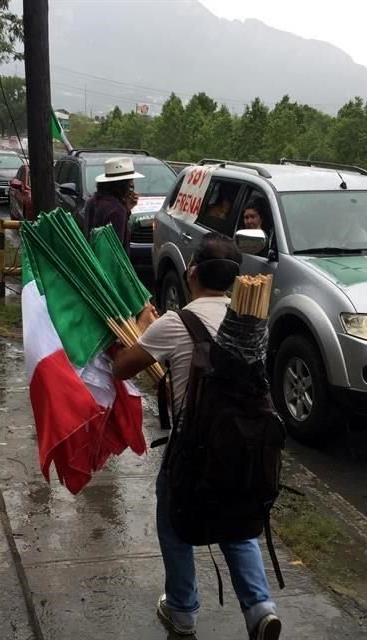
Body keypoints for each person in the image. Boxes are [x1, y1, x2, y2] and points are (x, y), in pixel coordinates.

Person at [113, 233, 282, 640]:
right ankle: (260, 610)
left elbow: (121, 368)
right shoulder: (254, 322)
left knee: (174, 519)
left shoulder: (175, 322)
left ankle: (183, 610)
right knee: (237, 522)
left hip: (196, 446)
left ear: (191, 273)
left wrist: (140, 329)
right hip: (246, 447)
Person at [82, 156, 142, 252]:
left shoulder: (92, 201)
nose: (132, 186)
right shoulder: (117, 210)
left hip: (91, 259)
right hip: (109, 264)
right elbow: (116, 249)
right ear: (123, 185)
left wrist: (127, 209)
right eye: (130, 182)